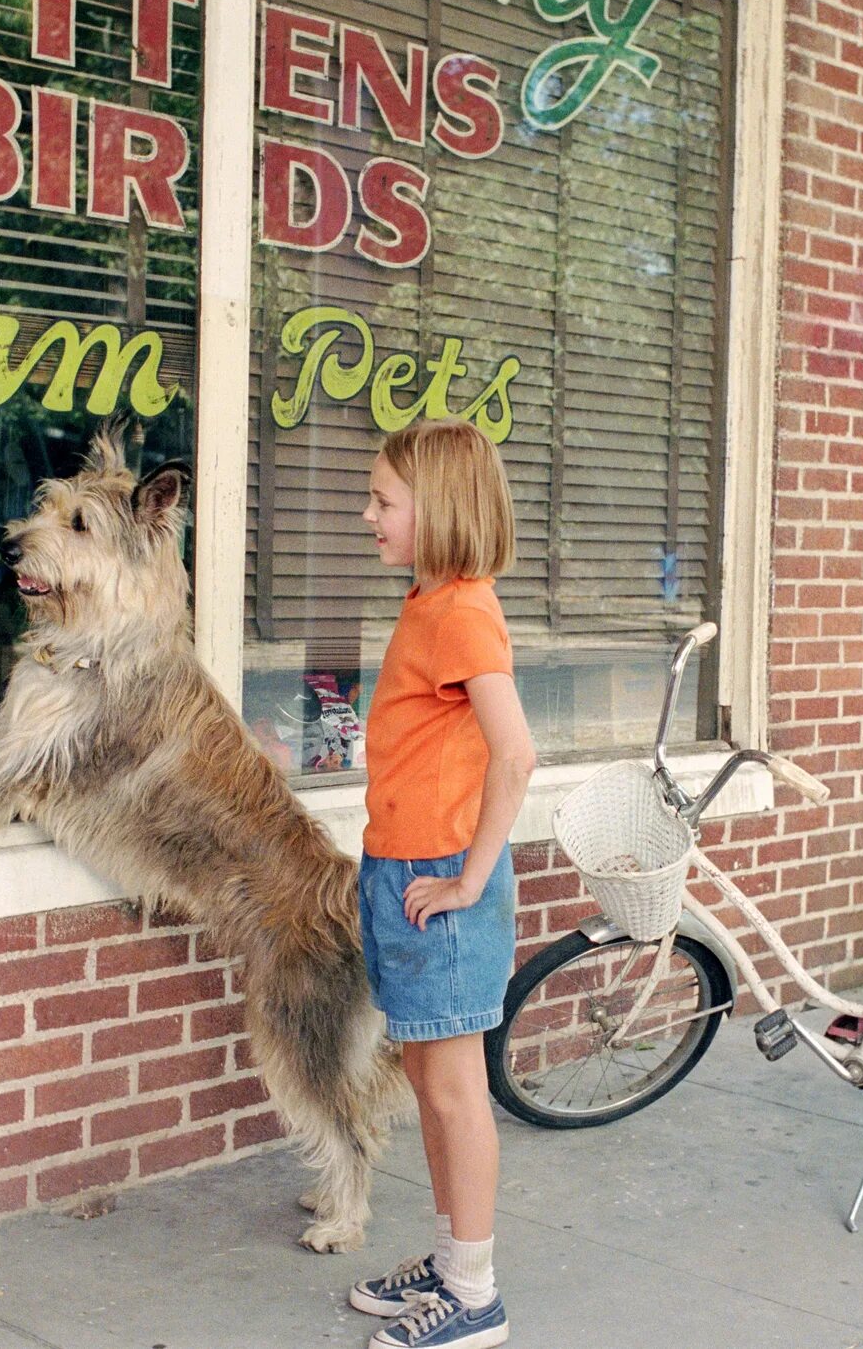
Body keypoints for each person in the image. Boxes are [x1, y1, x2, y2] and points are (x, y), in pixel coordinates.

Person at [348, 419, 536, 1349]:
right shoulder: (429, 600)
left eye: (384, 501)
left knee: (455, 1087)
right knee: (426, 1071)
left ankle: (475, 1295)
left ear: (442, 510)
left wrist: (468, 880)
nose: (368, 514)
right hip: (399, 871)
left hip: (436, 883)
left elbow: (516, 753)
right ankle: (449, 1251)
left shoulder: (462, 609)